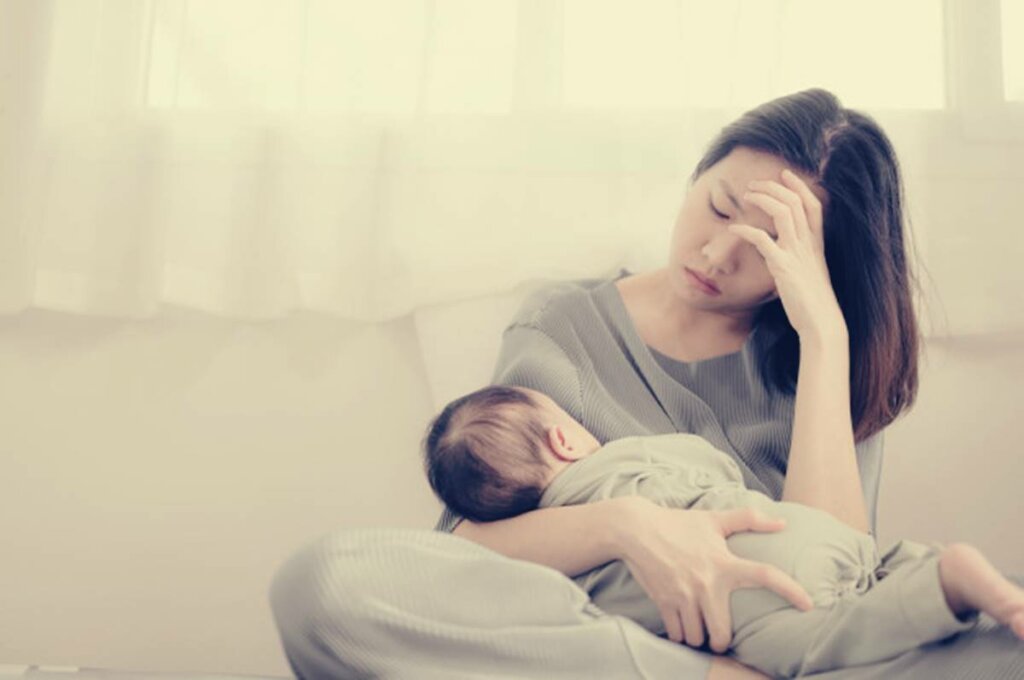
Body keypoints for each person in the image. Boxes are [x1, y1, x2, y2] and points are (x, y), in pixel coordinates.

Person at [270, 88, 1024, 680]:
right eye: (719, 206)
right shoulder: (565, 328)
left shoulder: (823, 362)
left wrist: (826, 337)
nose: (717, 253)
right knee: (326, 585)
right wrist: (630, 526)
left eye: (766, 245)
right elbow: (473, 550)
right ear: (697, 174)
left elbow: (835, 576)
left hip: (806, 642)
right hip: (602, 650)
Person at [422, 383, 1024, 677]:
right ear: (566, 438)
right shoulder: (642, 451)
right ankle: (933, 567)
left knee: (815, 650)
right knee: (873, 564)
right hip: (790, 526)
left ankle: (941, 588)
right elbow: (712, 464)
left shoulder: (551, 555)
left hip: (753, 602)